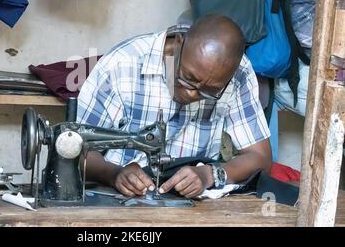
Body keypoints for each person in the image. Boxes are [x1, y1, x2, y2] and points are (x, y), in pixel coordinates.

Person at [76, 14, 272, 198]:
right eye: (188, 78)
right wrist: (113, 174)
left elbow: (260, 158)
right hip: (117, 196)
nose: (192, 94)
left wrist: (209, 174)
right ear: (179, 44)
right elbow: (76, 152)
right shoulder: (121, 66)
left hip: (192, 204)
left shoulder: (237, 73)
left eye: (209, 92)